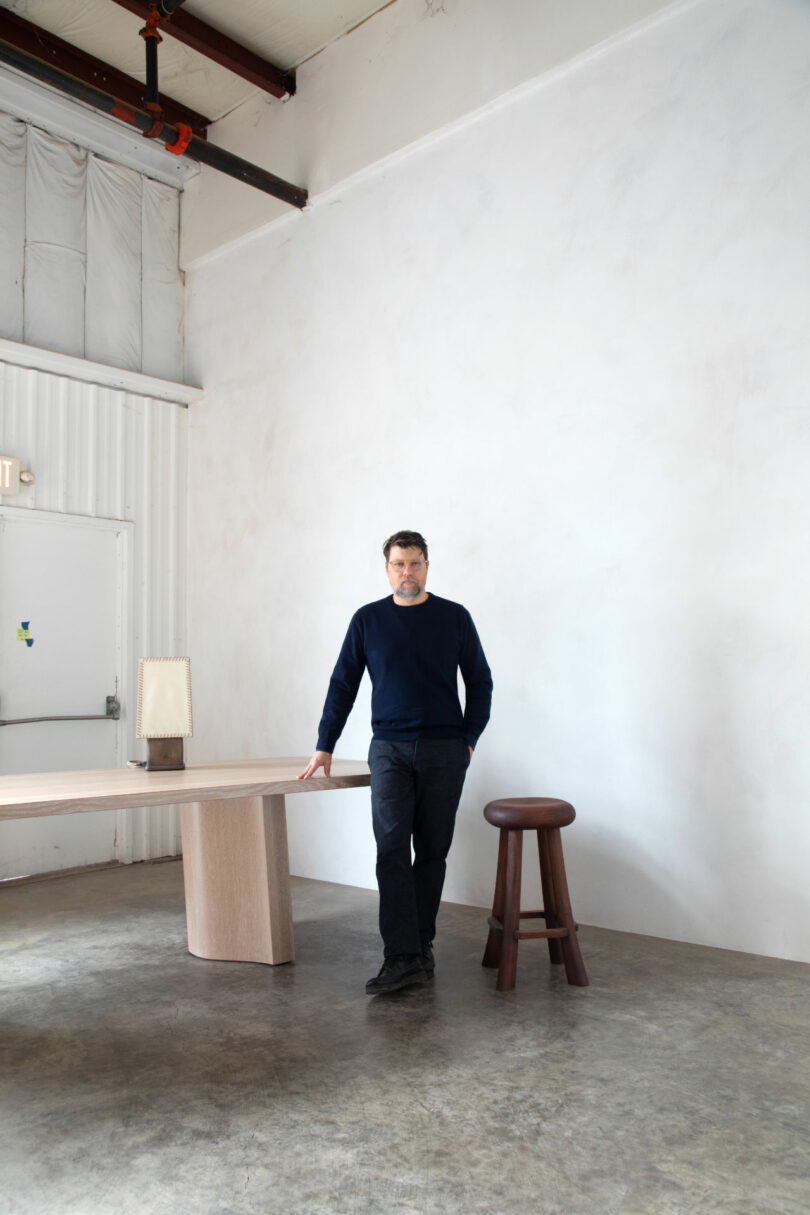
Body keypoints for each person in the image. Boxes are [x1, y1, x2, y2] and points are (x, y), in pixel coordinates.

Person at [298, 529, 492, 995]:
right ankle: (400, 956)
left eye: (416, 563)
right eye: (399, 564)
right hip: (388, 749)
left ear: (428, 566)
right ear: (386, 569)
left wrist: (468, 738)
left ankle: (420, 947)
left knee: (432, 852)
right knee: (390, 850)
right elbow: (342, 684)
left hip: (445, 750)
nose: (407, 572)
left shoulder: (454, 618)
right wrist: (325, 743)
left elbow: (480, 681)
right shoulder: (368, 620)